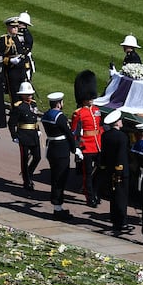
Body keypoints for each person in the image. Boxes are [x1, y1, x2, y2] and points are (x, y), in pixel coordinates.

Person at [41, 91, 78, 219]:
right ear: (58, 104)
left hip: (52, 148)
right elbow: (69, 134)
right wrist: (74, 149)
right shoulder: (60, 117)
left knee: (55, 177)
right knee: (60, 179)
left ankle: (58, 206)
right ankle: (57, 208)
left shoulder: (46, 115)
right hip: (61, 150)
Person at [71, 70, 103, 207]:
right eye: (88, 97)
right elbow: (75, 132)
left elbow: (100, 127)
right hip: (86, 146)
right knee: (87, 174)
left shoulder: (96, 110)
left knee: (100, 171)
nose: (91, 99)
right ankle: (89, 197)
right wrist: (77, 147)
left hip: (98, 144)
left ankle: (96, 192)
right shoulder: (78, 113)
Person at [99, 109, 131, 236]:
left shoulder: (105, 135)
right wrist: (120, 169)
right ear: (117, 123)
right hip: (120, 171)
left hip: (109, 169)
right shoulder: (122, 137)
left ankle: (115, 220)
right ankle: (122, 222)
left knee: (113, 196)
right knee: (122, 197)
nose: (121, 122)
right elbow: (121, 156)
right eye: (120, 120)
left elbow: (104, 154)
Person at [9, 81, 42, 191]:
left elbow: (34, 119)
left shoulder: (33, 104)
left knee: (37, 157)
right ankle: (27, 181)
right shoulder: (18, 107)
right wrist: (14, 136)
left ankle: (29, 173)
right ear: (22, 95)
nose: (30, 96)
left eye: (30, 93)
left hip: (34, 134)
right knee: (24, 159)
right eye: (27, 94)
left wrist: (38, 130)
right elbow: (11, 123)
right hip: (23, 135)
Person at [1, 17, 31, 100]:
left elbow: (24, 53)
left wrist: (27, 67)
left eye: (17, 27)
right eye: (13, 27)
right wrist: (10, 60)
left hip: (22, 69)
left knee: (24, 91)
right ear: (8, 28)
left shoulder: (20, 38)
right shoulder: (4, 40)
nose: (16, 29)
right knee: (14, 93)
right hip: (12, 70)